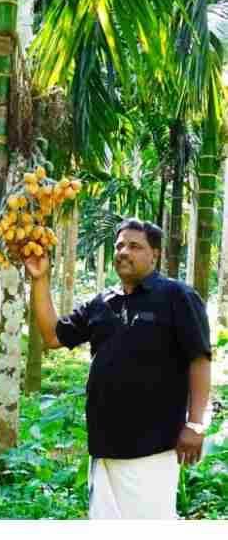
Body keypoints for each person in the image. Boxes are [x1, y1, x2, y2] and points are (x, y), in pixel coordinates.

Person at [24, 218, 212, 519]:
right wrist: (40, 278)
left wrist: (195, 424)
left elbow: (200, 360)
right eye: (120, 245)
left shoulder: (177, 296)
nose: (124, 252)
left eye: (135, 246)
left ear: (155, 255)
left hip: (153, 449)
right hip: (104, 448)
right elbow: (53, 336)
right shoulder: (102, 302)